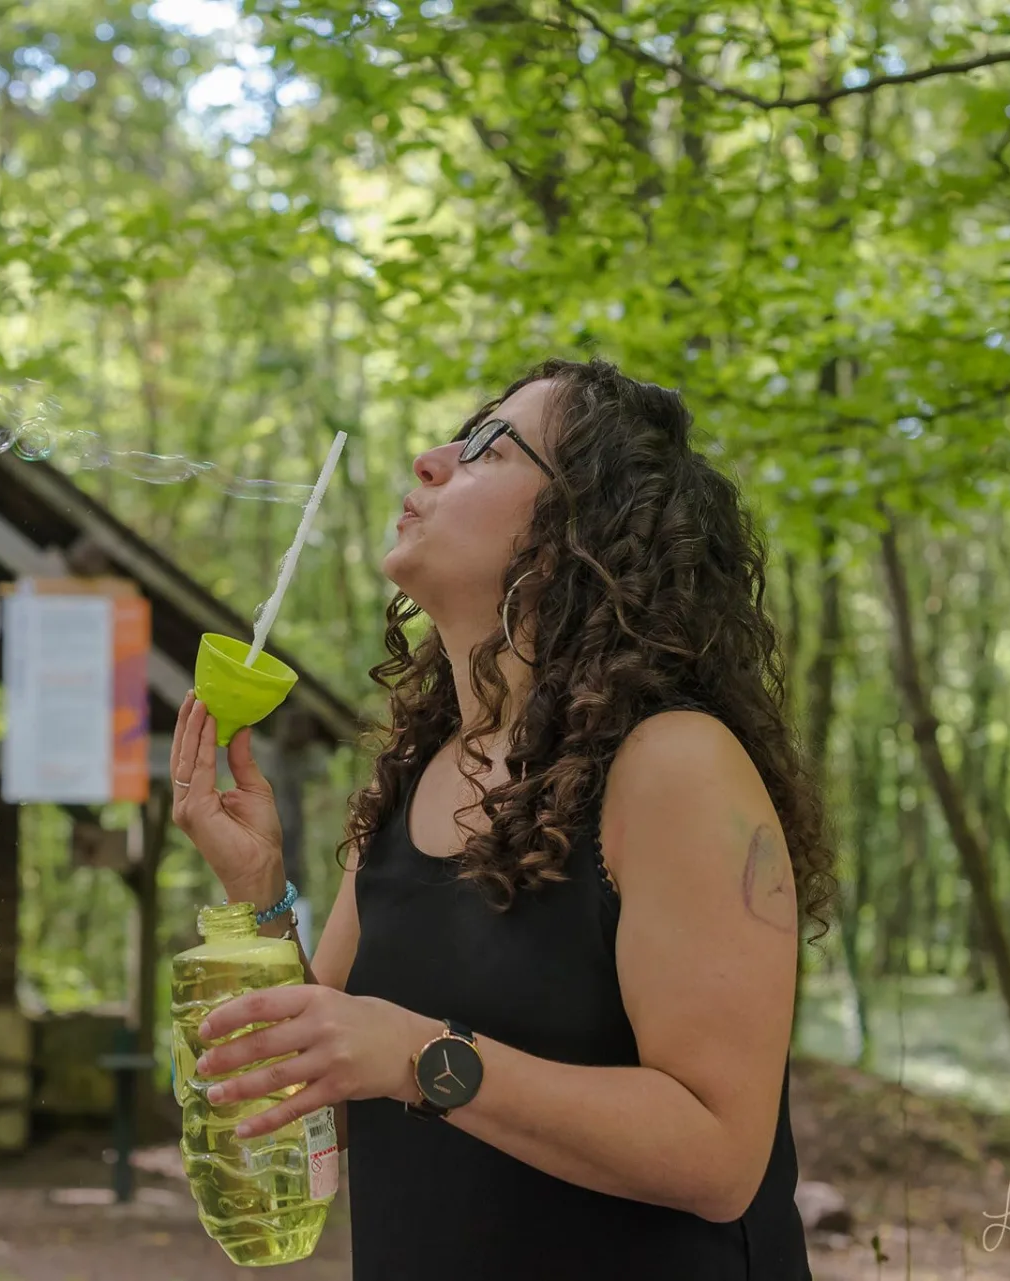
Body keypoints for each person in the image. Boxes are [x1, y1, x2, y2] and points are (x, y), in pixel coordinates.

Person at [169, 356, 831, 1278]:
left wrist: (419, 1056)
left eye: (487, 446)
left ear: (581, 527)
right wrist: (260, 892)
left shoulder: (675, 764)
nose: (431, 459)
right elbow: (316, 1101)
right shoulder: (410, 780)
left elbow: (719, 1157)